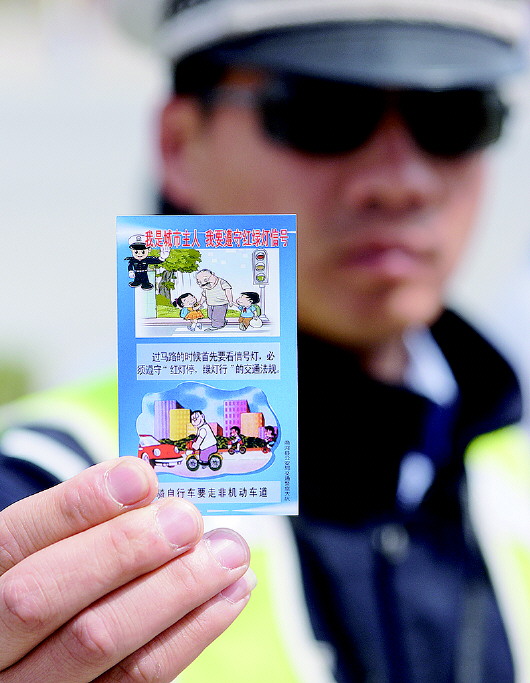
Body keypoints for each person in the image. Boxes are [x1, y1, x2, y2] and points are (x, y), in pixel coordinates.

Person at [1, 0, 530, 681]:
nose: (402, 182)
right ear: (178, 145)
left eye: (453, 118)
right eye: (324, 113)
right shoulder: (42, 490)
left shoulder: (515, 485)